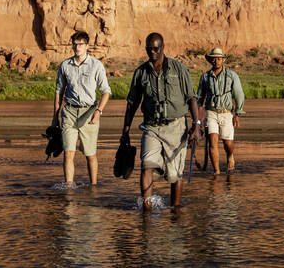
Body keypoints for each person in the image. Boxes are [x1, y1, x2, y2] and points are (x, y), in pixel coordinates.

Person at [121, 32, 203, 210]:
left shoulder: (179, 69)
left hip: (176, 127)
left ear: (163, 47)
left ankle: (176, 211)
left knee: (175, 175)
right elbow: (132, 104)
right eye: (149, 49)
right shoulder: (141, 72)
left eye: (156, 49)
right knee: (146, 166)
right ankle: (147, 210)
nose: (152, 52)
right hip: (151, 127)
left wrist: (197, 125)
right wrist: (124, 132)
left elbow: (191, 98)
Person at [53, 31, 111, 186]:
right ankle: (69, 187)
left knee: (90, 154)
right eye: (75, 44)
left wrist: (99, 112)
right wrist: (55, 116)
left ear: (87, 46)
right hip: (69, 113)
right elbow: (59, 91)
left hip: (89, 113)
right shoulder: (65, 65)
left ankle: (93, 187)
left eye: (80, 44)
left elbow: (106, 91)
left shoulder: (96, 65)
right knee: (68, 154)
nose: (77, 47)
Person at [197, 47, 246, 174]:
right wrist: (198, 116)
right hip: (211, 112)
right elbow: (199, 97)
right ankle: (217, 172)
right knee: (213, 141)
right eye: (214, 59)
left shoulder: (232, 75)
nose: (216, 61)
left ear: (223, 60)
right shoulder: (205, 77)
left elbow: (239, 94)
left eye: (219, 59)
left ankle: (230, 156)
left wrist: (237, 113)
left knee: (227, 143)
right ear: (210, 61)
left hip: (226, 113)